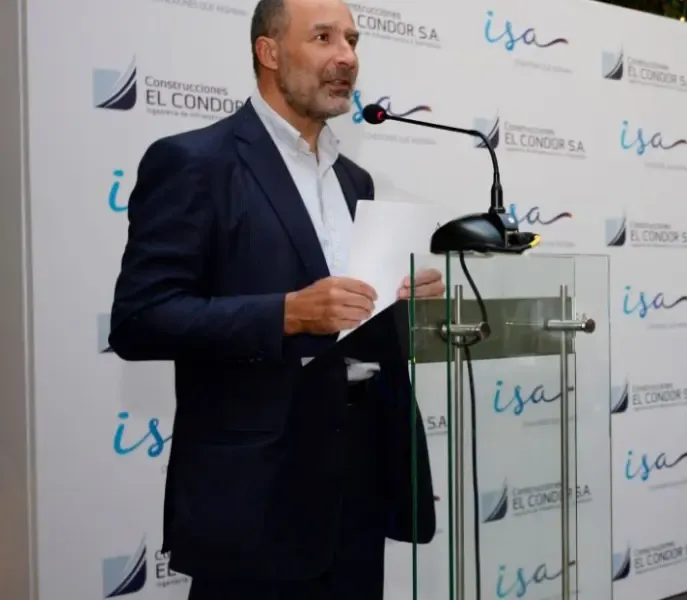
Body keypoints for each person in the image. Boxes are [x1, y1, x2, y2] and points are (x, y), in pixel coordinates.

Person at [107, 0, 445, 597]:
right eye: (323, 37)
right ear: (268, 52)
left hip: (359, 476)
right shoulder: (194, 163)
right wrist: (286, 314)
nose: (347, 56)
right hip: (256, 492)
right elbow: (140, 320)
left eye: (352, 39)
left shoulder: (353, 179)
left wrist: (398, 305)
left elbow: (349, 323)